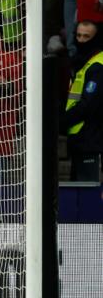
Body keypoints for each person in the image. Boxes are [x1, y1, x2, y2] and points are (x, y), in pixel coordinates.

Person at [63, 20, 103, 181]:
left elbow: (88, 104)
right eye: (78, 35)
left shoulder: (98, 65)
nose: (81, 40)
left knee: (88, 196)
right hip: (79, 138)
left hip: (92, 139)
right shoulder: (82, 62)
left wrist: (63, 120)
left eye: (86, 37)